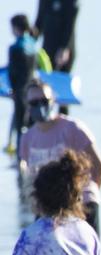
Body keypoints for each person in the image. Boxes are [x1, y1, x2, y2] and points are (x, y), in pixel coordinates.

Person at [17, 79, 101, 235]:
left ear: (53, 101)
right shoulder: (27, 138)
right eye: (34, 103)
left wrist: (85, 196)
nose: (40, 106)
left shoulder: (73, 128)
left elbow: (99, 167)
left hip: (80, 205)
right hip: (47, 208)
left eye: (44, 101)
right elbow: (29, 177)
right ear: (27, 106)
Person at [7, 14, 38, 154]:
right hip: (32, 91)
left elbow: (13, 73)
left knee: (20, 125)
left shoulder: (15, 47)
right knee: (33, 123)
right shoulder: (32, 44)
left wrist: (12, 91)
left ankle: (21, 154)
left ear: (16, 28)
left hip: (20, 91)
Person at [34, 0, 76, 72]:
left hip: (63, 50)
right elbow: (39, 22)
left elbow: (69, 25)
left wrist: (64, 47)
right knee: (40, 77)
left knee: (59, 79)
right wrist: (28, 42)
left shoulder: (70, 2)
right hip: (47, 49)